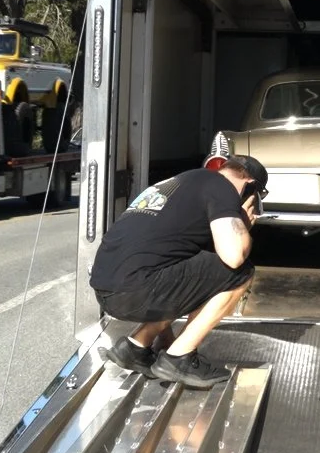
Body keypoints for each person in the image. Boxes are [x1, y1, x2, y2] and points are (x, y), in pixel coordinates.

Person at [87, 155, 268, 389]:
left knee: (197, 271)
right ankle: (179, 358)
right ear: (249, 186)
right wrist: (242, 222)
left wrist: (166, 340)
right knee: (241, 273)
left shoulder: (182, 182)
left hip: (108, 290)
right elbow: (234, 257)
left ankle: (135, 347)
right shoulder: (223, 188)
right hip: (137, 289)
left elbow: (179, 273)